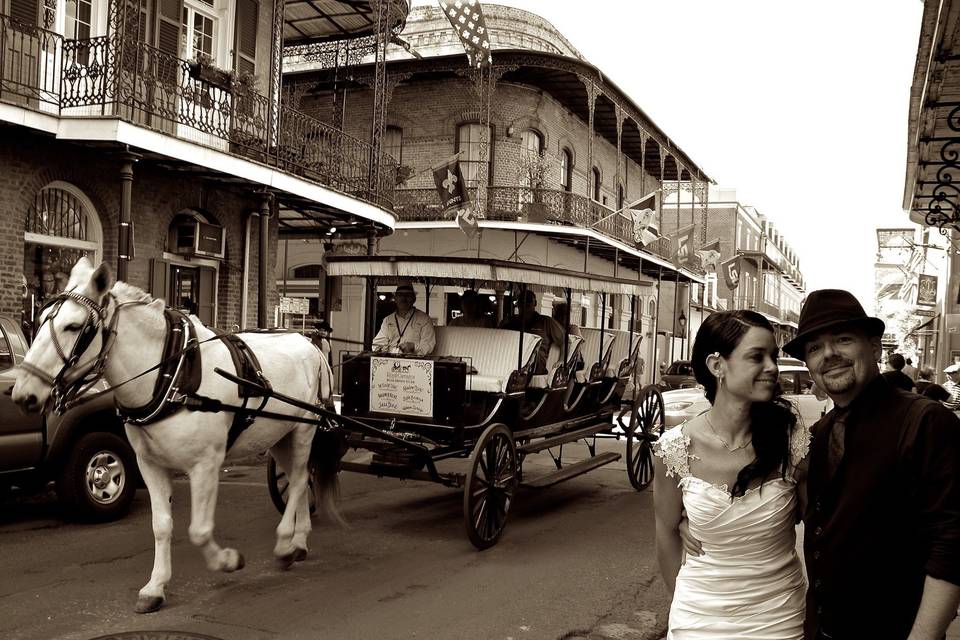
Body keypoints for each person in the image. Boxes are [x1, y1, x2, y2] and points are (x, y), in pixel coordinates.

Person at [781, 290, 960, 639]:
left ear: (875, 348)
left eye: (843, 339)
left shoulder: (926, 422)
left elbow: (952, 544)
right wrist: (693, 519)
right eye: (814, 348)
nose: (829, 354)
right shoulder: (820, 432)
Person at [652, 309, 808, 639]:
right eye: (757, 356)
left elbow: (821, 521)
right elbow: (665, 533)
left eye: (773, 356)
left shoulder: (792, 443)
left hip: (777, 616)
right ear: (717, 365)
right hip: (698, 616)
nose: (772, 368)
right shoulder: (675, 448)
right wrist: (682, 604)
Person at [500, 290, 565, 374]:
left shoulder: (546, 321)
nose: (525, 305)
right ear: (518, 304)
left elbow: (565, 341)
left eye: (528, 301)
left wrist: (562, 360)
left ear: (535, 303)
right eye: (522, 302)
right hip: (511, 357)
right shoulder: (511, 321)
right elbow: (500, 339)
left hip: (534, 362)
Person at [372, 284, 436, 356]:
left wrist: (413, 347)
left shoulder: (424, 319)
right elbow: (378, 343)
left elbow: (428, 345)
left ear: (414, 299)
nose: (403, 298)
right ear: (395, 299)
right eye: (400, 295)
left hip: (413, 361)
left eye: (408, 295)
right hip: (390, 360)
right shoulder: (388, 320)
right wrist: (380, 349)